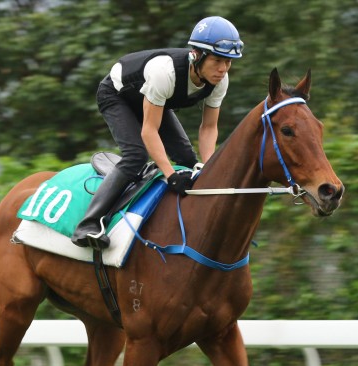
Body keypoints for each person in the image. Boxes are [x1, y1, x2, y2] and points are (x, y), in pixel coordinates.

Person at [71, 16, 244, 249]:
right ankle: (88, 224)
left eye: (229, 62)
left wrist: (209, 166)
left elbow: (209, 127)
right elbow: (149, 130)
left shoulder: (220, 81)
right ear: (196, 54)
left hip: (151, 100)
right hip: (117, 96)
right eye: (217, 60)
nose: (223, 69)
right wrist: (171, 176)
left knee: (189, 159)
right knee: (136, 157)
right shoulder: (165, 72)